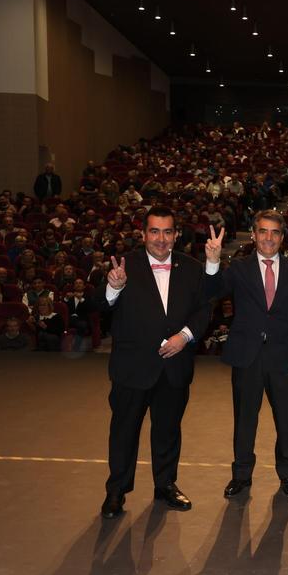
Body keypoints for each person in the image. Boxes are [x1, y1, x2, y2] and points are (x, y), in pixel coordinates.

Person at [95, 207, 214, 520]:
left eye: (167, 232)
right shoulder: (123, 266)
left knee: (168, 431)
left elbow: (203, 311)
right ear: (143, 234)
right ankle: (116, 492)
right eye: (154, 231)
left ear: (176, 235)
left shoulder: (192, 267)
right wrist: (114, 287)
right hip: (132, 368)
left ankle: (165, 486)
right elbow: (99, 306)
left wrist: (185, 337)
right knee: (124, 432)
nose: (161, 239)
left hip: (174, 366)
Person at [203, 213, 288, 499]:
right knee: (244, 421)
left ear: (281, 237)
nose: (268, 238)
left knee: (287, 421)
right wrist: (213, 261)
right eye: (263, 232)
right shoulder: (238, 268)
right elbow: (212, 291)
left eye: (274, 233)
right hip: (247, 357)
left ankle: (287, 475)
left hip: (285, 358)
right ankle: (241, 475)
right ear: (253, 235)